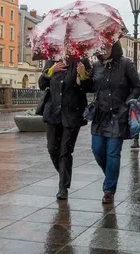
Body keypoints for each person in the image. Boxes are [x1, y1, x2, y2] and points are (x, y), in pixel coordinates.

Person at [77, 41, 140, 204]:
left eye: (107, 47)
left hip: (118, 115)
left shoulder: (126, 64)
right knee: (97, 150)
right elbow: (88, 88)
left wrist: (127, 103)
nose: (104, 50)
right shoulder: (96, 66)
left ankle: (109, 191)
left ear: (114, 47)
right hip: (100, 115)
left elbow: (137, 87)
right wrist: (83, 75)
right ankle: (111, 175)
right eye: (101, 48)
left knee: (113, 153)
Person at [38, 58, 91, 200]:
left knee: (65, 151)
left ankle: (63, 188)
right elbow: (42, 85)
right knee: (52, 148)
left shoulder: (82, 62)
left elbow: (89, 87)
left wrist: (83, 76)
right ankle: (64, 174)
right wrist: (51, 71)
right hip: (53, 112)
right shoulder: (51, 61)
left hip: (72, 113)